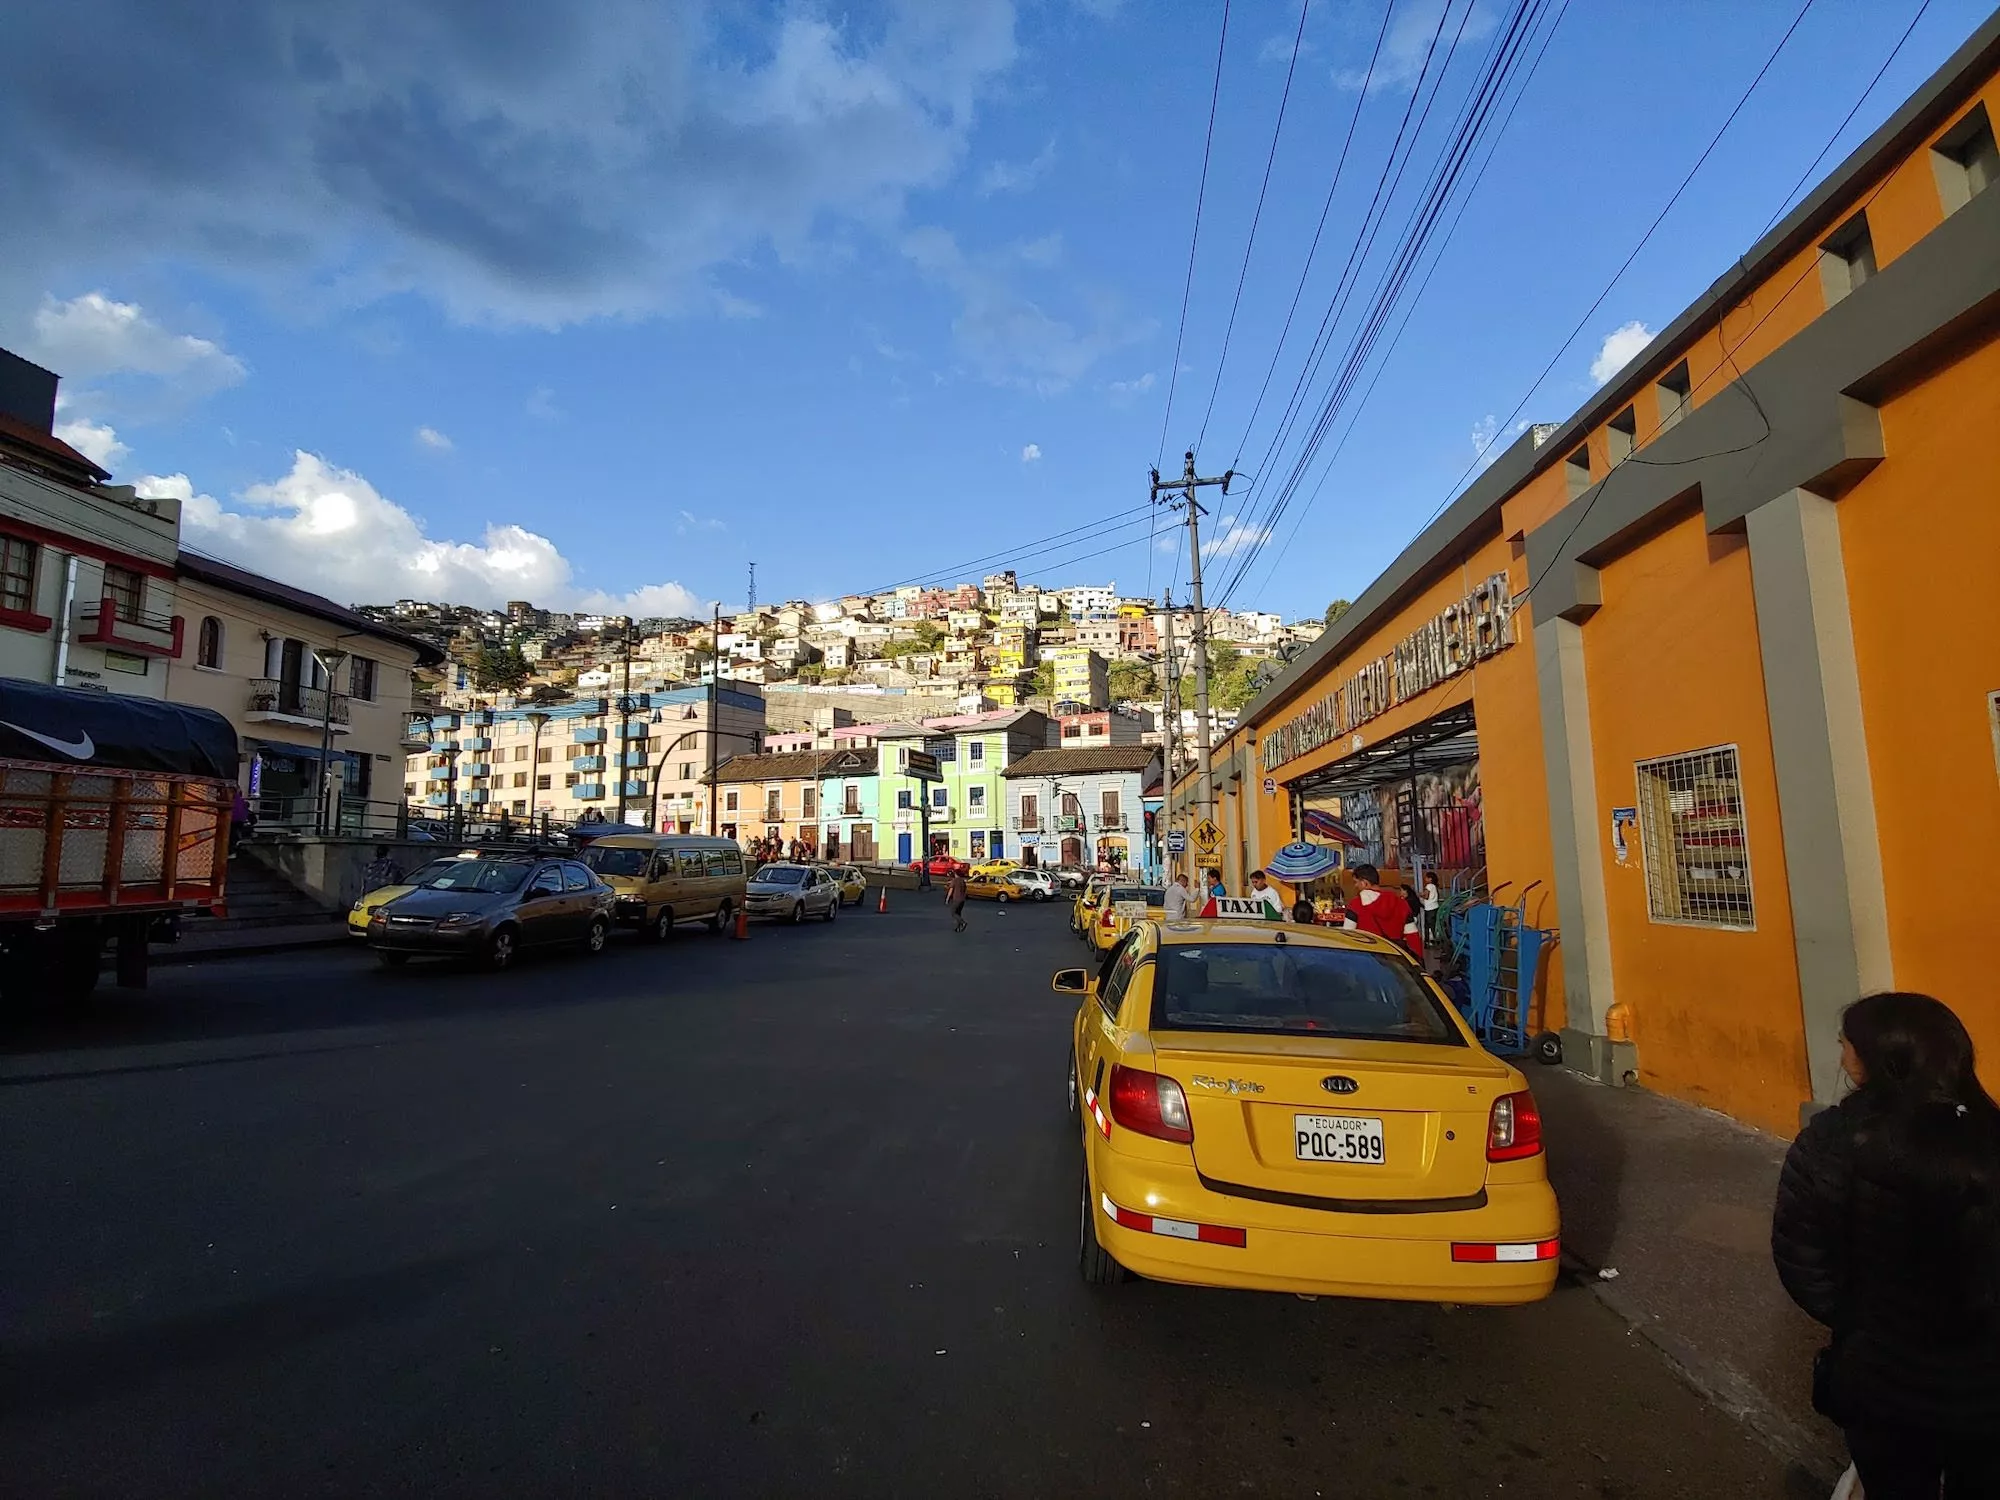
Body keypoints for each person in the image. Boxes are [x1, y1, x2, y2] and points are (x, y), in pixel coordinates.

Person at [1772, 992, 2000, 1498]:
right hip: (1985, 1383)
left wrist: (1858, 1319)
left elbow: (1802, 1261)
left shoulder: (1831, 1144)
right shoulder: (1989, 1134)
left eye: (1845, 1045)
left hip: (1882, 1381)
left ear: (1876, 1059)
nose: (1841, 1057)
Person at [1341, 863, 1423, 958]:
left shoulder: (1356, 905)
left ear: (1364, 883)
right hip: (1395, 960)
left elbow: (1348, 936)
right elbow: (1413, 936)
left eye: (1356, 882)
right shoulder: (1401, 903)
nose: (1355, 886)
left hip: (1367, 959)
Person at [945, 868, 969, 934]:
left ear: (956, 874)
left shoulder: (955, 881)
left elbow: (951, 890)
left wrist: (947, 899)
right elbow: (965, 890)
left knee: (953, 913)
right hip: (962, 900)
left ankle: (963, 923)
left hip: (956, 899)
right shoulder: (962, 881)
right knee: (958, 913)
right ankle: (958, 928)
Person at [1421, 873, 1442, 946]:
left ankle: (1428, 942)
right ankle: (1436, 941)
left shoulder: (1429, 886)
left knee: (1428, 926)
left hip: (1429, 908)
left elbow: (1426, 896)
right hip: (1435, 907)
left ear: (1430, 879)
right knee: (1434, 925)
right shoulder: (1434, 886)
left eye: (1426, 878)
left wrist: (1420, 895)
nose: (1425, 879)